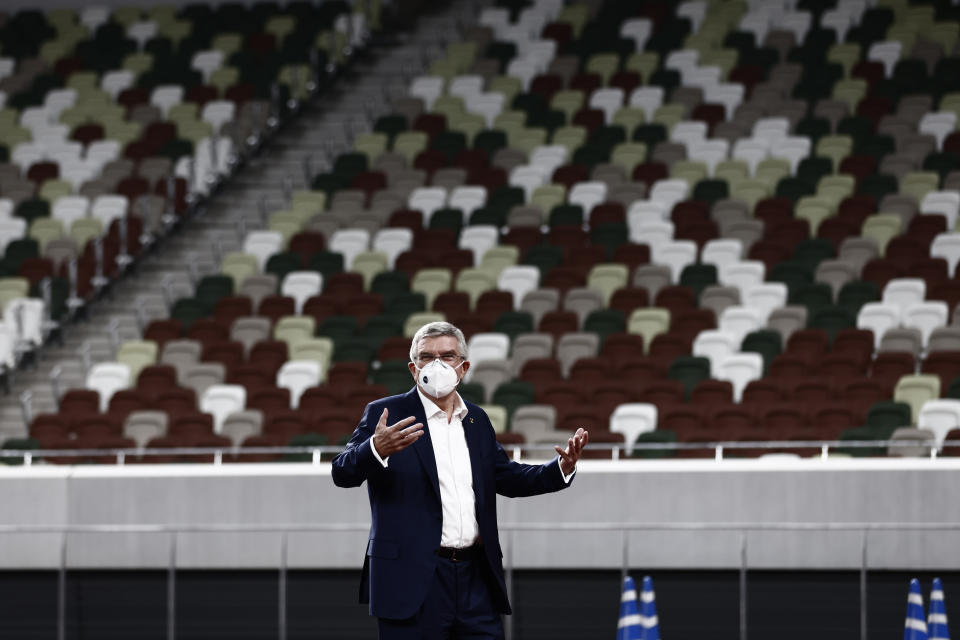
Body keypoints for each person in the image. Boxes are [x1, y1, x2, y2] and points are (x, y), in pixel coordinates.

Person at [332, 321, 588, 639]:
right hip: (411, 580)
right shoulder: (385, 413)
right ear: (414, 368)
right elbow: (341, 472)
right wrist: (374, 449)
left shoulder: (477, 420)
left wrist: (560, 468)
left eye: (448, 356)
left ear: (463, 367)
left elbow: (507, 477)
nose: (437, 364)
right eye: (427, 356)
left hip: (475, 578)